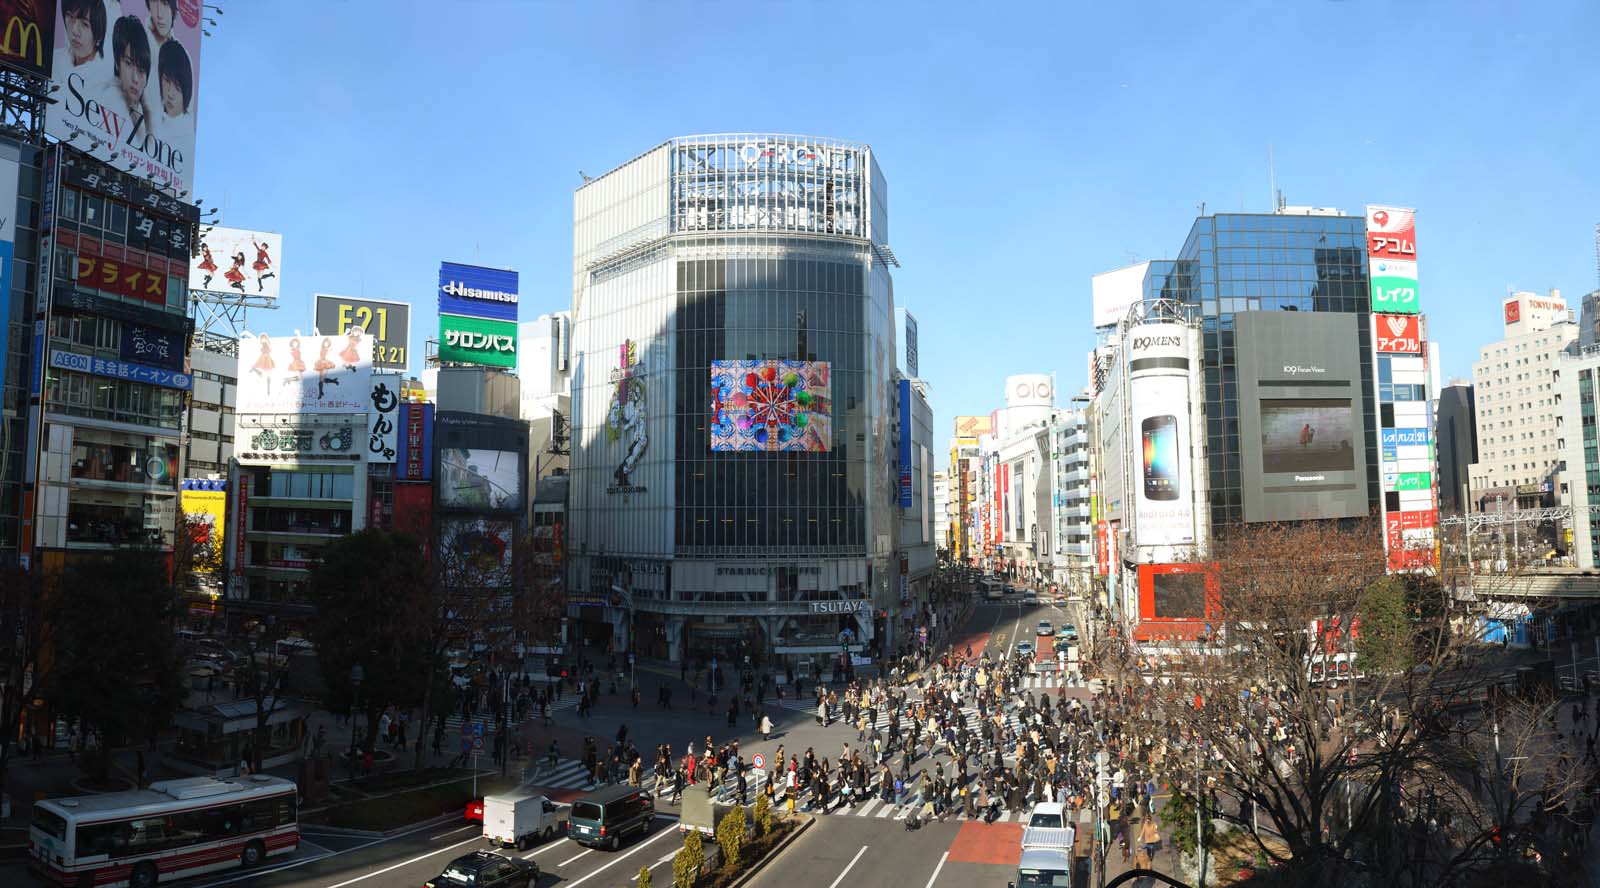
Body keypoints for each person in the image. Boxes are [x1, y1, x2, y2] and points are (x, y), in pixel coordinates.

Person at [102, 16, 154, 141]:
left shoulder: (142, 108)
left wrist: (147, 112)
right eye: (128, 63)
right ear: (117, 62)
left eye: (141, 70)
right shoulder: (110, 97)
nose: (135, 78)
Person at [55, 0, 110, 91]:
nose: (74, 30)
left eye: (85, 24)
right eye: (71, 16)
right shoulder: (55, 59)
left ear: (99, 36)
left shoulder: (105, 82)